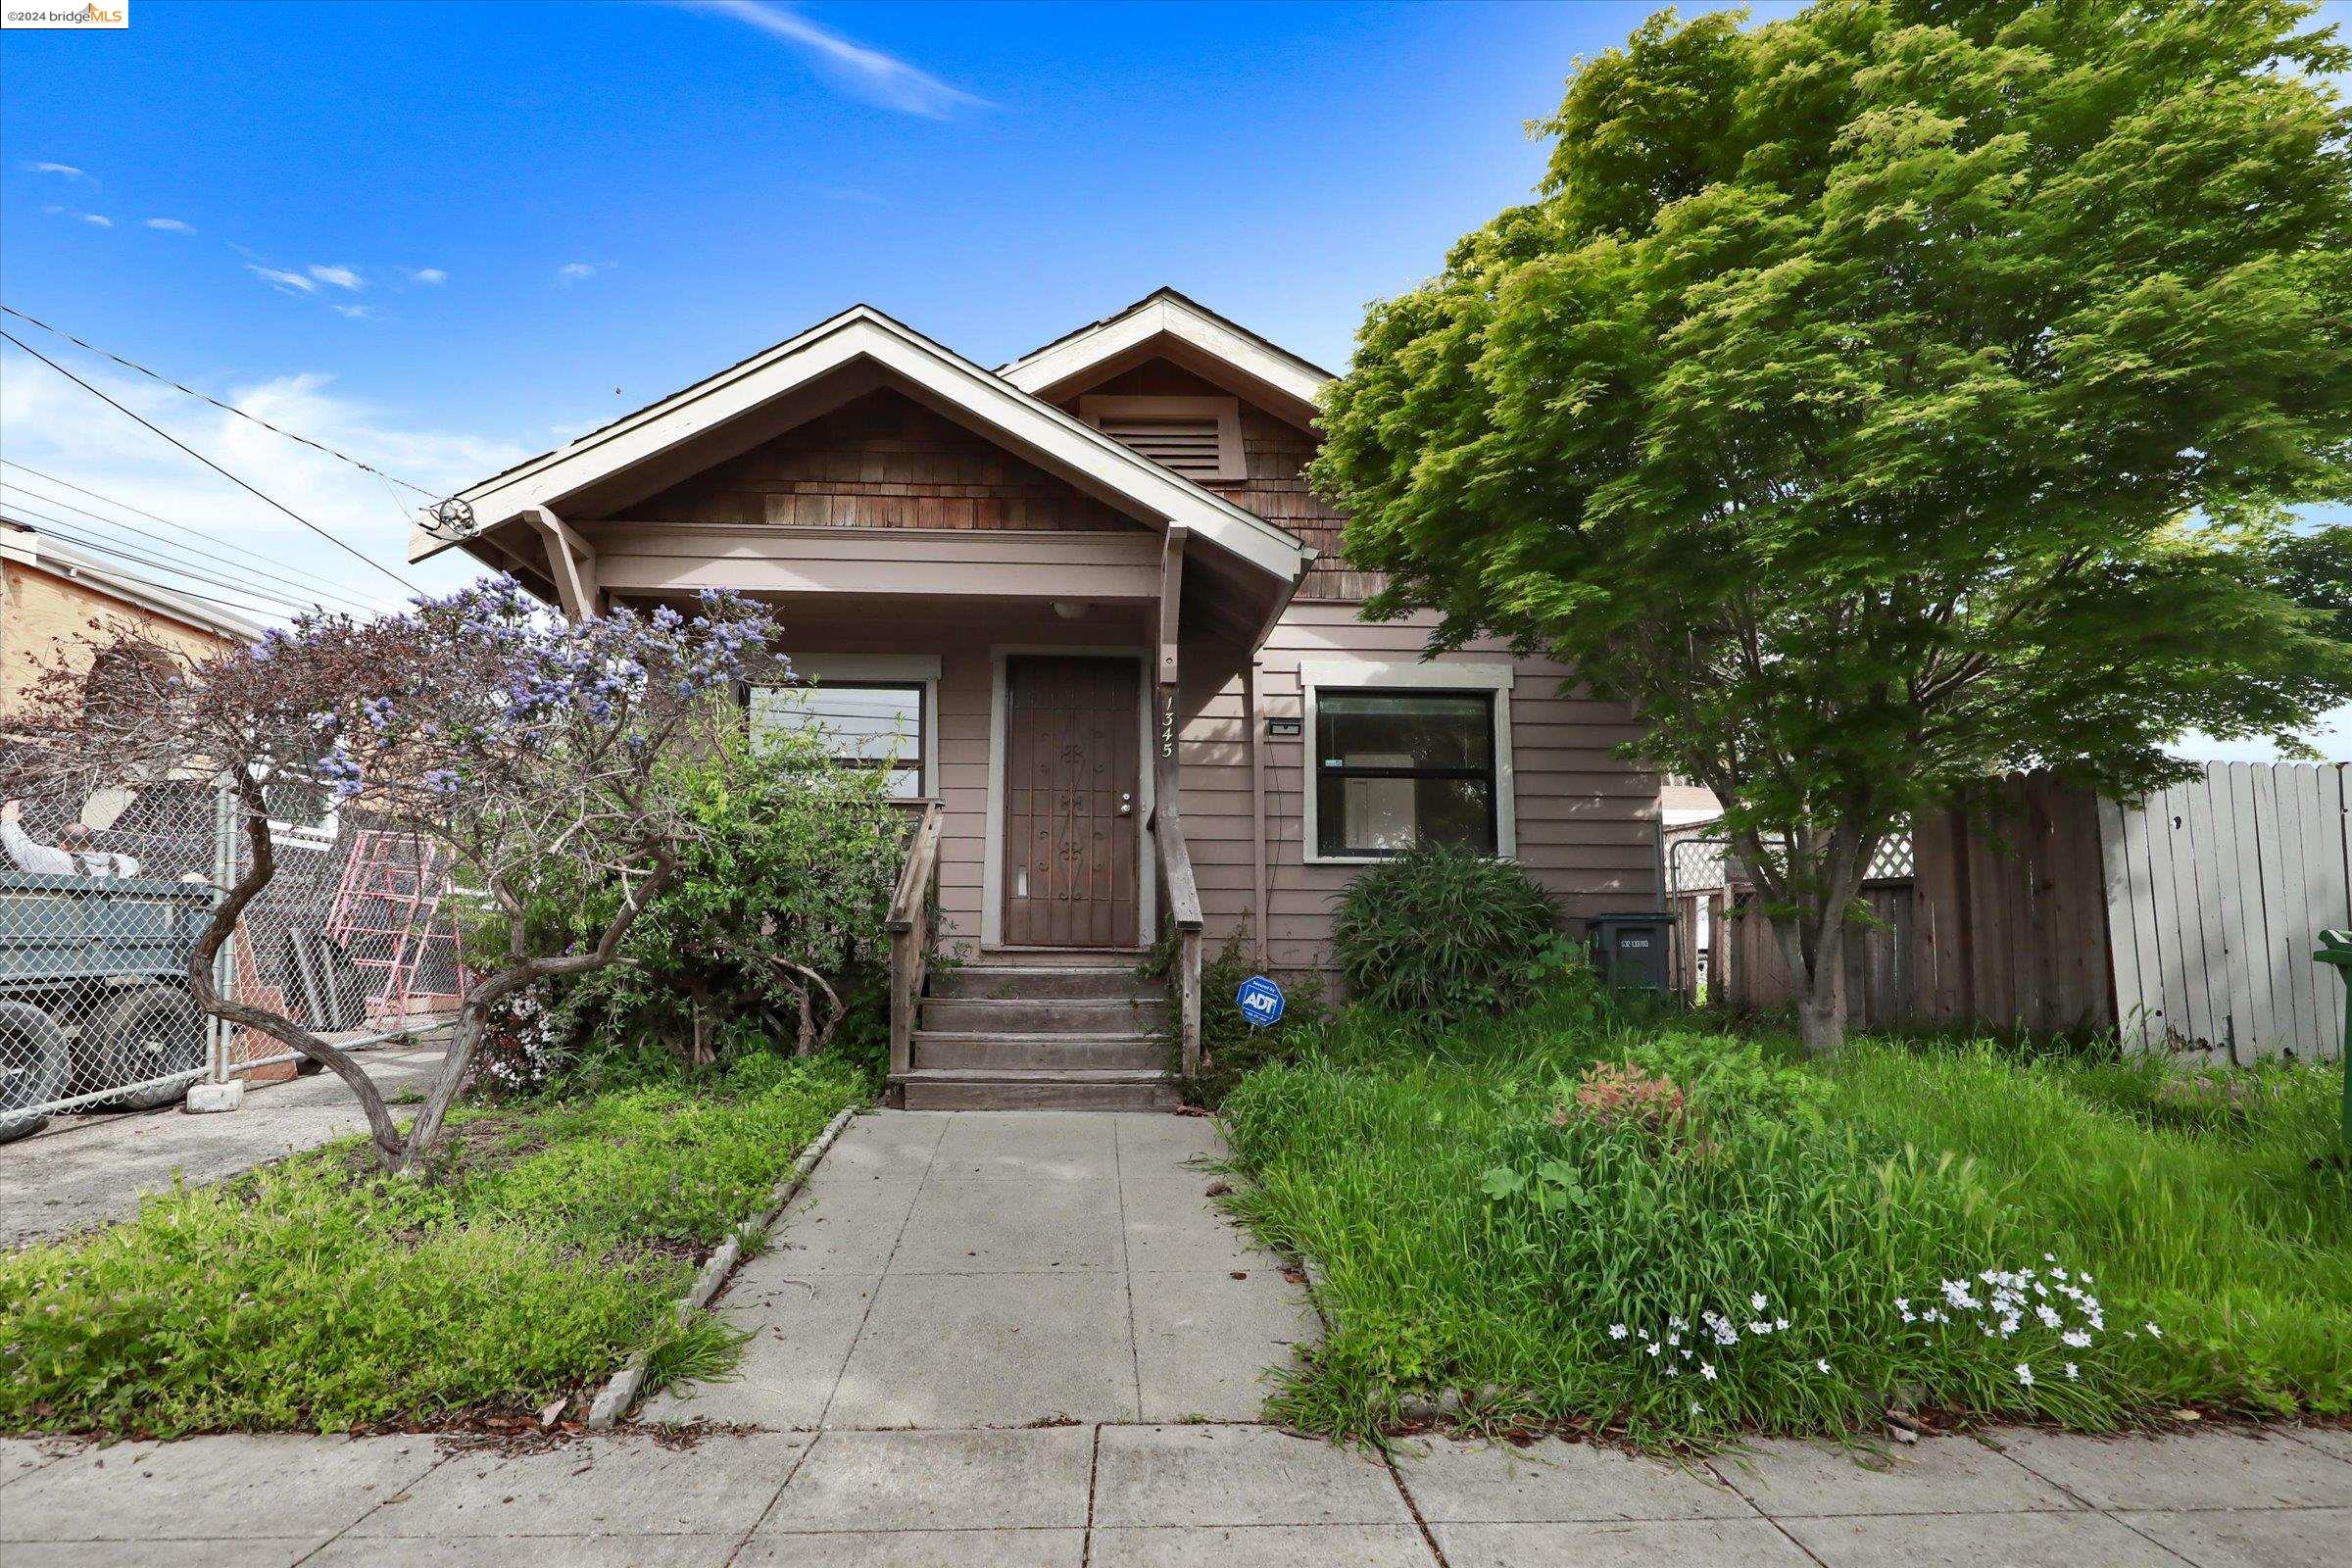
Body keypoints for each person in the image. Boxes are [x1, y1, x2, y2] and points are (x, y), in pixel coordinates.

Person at [0, 798, 141, 878]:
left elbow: (22, 849)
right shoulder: (119, 862)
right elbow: (134, 863)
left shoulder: (58, 859)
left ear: (63, 845)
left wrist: (9, 821)